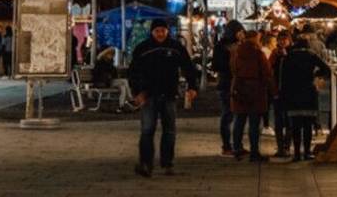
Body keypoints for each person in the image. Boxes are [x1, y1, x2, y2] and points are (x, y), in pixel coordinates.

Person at [129, 18, 199, 178]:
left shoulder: (175, 47)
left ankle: (167, 163)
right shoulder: (143, 48)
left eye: (163, 30)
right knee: (147, 129)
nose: (160, 34)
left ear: (167, 31)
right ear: (152, 32)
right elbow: (133, 72)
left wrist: (192, 86)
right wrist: (137, 92)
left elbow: (188, 66)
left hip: (169, 93)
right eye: (157, 31)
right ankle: (146, 163)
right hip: (148, 94)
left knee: (170, 130)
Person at [279, 34, 330, 161]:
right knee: (308, 125)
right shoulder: (311, 55)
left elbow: (283, 78)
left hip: (293, 93)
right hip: (308, 91)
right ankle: (307, 152)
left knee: (295, 125)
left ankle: (296, 153)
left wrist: (283, 94)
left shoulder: (288, 57)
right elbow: (326, 69)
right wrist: (315, 75)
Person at [230, 29, 275, 163]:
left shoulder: (236, 52)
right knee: (254, 123)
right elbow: (267, 72)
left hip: (239, 87)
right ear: (255, 38)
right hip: (255, 90)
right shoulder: (258, 53)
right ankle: (254, 152)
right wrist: (272, 89)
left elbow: (232, 68)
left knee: (239, 120)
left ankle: (237, 148)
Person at [212, 20, 242, 154]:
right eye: (240, 32)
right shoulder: (220, 46)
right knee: (228, 115)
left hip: (240, 85)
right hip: (226, 85)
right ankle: (227, 146)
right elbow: (216, 66)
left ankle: (237, 145)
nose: (242, 34)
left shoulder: (241, 45)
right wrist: (230, 57)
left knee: (239, 115)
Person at [269, 29, 293, 157]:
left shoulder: (292, 53)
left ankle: (287, 145)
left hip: (289, 91)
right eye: (280, 39)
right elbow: (269, 69)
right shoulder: (274, 53)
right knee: (278, 120)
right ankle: (280, 147)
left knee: (289, 120)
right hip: (277, 91)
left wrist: (286, 56)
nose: (283, 42)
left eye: (285, 39)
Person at [93, 46, 132, 110]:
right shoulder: (100, 62)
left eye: (113, 54)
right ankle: (130, 99)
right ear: (106, 54)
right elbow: (99, 73)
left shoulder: (110, 63)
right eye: (111, 54)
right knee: (124, 81)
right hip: (102, 82)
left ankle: (121, 105)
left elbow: (114, 74)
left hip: (109, 81)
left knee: (123, 87)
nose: (112, 56)